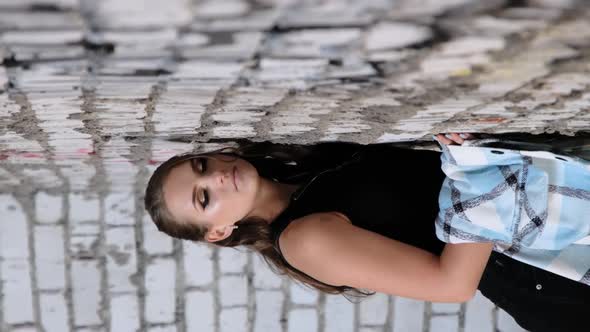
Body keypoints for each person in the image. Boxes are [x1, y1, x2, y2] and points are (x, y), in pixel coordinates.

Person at [144, 133, 590, 332]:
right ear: (220, 231)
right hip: (554, 279)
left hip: (551, 224)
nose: (216, 179)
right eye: (204, 198)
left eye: (202, 167)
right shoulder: (302, 239)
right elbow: (450, 285)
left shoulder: (309, 170)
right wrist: (476, 186)